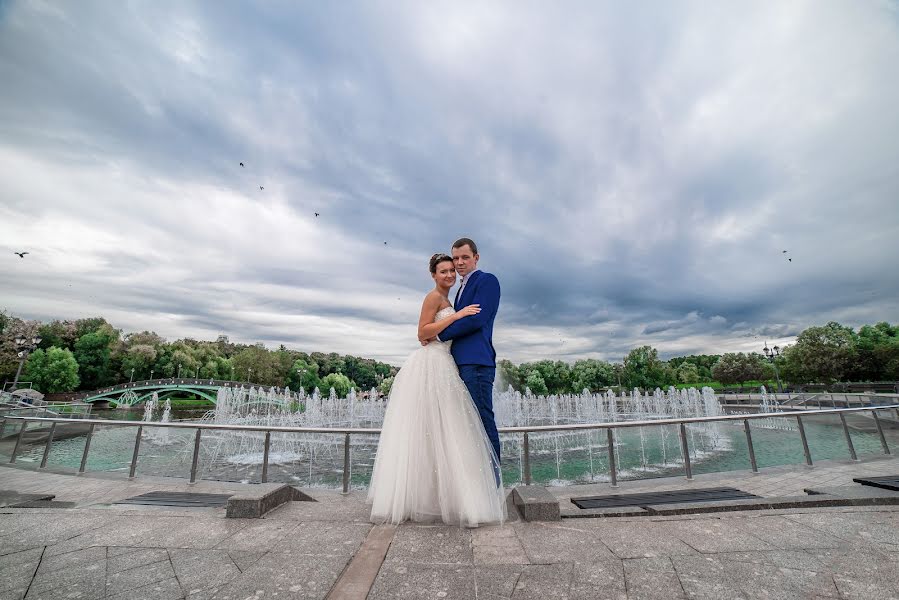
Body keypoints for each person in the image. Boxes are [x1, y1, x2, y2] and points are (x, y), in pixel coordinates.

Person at [367, 253, 506, 526]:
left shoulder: (453, 299)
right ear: (433, 275)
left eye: (452, 270)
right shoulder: (434, 298)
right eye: (443, 271)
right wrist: (457, 318)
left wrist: (457, 316)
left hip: (446, 363)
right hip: (432, 363)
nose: (449, 275)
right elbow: (422, 333)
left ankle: (440, 495)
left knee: (443, 430)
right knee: (436, 427)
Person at [435, 238, 502, 462]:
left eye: (465, 257)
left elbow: (477, 319)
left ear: (476, 257)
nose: (460, 262)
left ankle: (493, 484)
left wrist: (440, 334)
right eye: (456, 258)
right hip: (461, 363)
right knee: (467, 426)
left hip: (477, 363)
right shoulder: (460, 290)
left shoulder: (487, 281)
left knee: (482, 422)